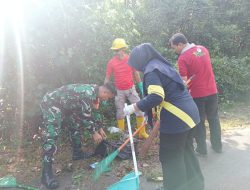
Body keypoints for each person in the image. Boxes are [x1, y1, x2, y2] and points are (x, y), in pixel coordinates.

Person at [123, 43, 204, 190]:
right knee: (186, 153)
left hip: (177, 120)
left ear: (140, 60)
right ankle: (196, 186)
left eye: (135, 65)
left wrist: (133, 107)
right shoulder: (161, 65)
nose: (137, 69)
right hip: (191, 115)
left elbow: (157, 96)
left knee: (171, 158)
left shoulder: (151, 70)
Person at [40, 83, 116, 189]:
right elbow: (86, 116)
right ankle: (46, 174)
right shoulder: (88, 93)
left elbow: (93, 111)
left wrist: (99, 128)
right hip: (52, 103)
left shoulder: (95, 93)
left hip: (67, 107)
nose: (105, 99)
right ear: (105, 92)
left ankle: (77, 153)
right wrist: (94, 132)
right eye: (107, 97)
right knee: (52, 134)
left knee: (74, 124)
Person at [169, 33, 222, 155]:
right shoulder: (202, 49)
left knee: (199, 122)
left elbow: (184, 82)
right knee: (214, 119)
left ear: (180, 44)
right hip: (212, 91)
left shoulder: (183, 58)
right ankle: (217, 146)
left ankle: (202, 149)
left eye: (174, 47)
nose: (174, 50)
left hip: (198, 94)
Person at [104, 38, 148, 139]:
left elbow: (136, 73)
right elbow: (107, 77)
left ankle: (142, 132)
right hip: (118, 91)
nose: (115, 52)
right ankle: (122, 135)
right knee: (120, 113)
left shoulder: (130, 59)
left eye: (117, 50)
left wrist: (140, 86)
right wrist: (105, 92)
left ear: (123, 49)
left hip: (131, 89)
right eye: (114, 50)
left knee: (140, 109)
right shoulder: (111, 62)